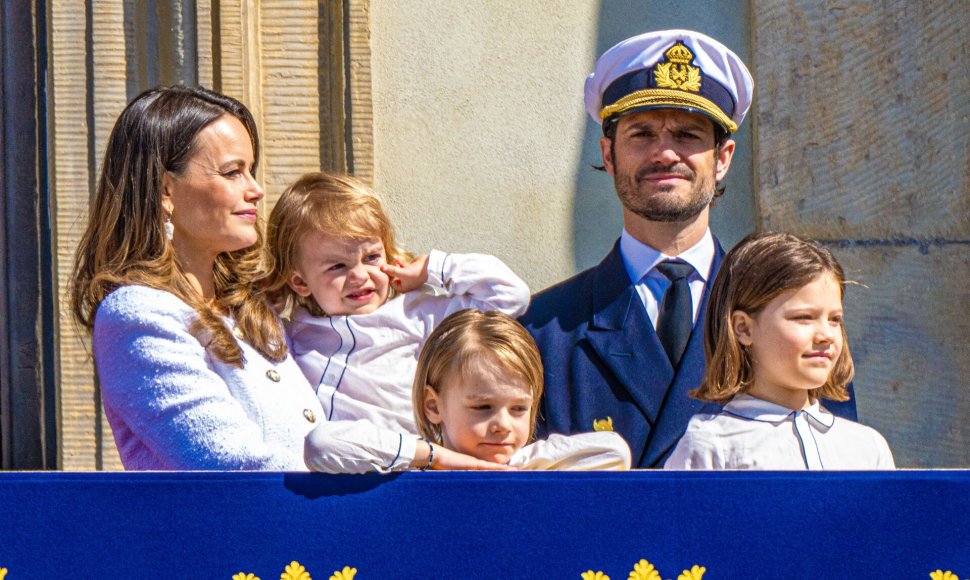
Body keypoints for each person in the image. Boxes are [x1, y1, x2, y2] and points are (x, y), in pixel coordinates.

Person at [69, 86, 500, 472]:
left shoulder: (254, 308)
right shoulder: (137, 314)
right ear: (166, 192)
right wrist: (417, 459)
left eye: (251, 170)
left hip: (319, 532)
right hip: (238, 551)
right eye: (233, 171)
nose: (255, 189)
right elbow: (232, 463)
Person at [520, 29, 857, 468]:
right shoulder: (542, 331)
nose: (664, 153)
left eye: (687, 135)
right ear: (608, 154)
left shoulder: (794, 322)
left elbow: (839, 478)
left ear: (723, 158)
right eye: (641, 134)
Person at [263, 172, 531, 435]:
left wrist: (431, 268)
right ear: (300, 283)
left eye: (371, 258)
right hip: (333, 467)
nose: (359, 276)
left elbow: (509, 295)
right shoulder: (293, 332)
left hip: (415, 462)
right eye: (337, 266)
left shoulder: (415, 313)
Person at [664, 232, 894, 469]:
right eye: (804, 318)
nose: (826, 334)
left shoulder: (867, 448)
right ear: (743, 328)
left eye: (835, 319)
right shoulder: (711, 445)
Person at [412, 309, 630, 470]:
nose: (503, 425)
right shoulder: (409, 474)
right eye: (482, 406)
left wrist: (514, 469)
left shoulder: (539, 471)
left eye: (518, 408)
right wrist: (431, 456)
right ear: (432, 405)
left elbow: (614, 450)